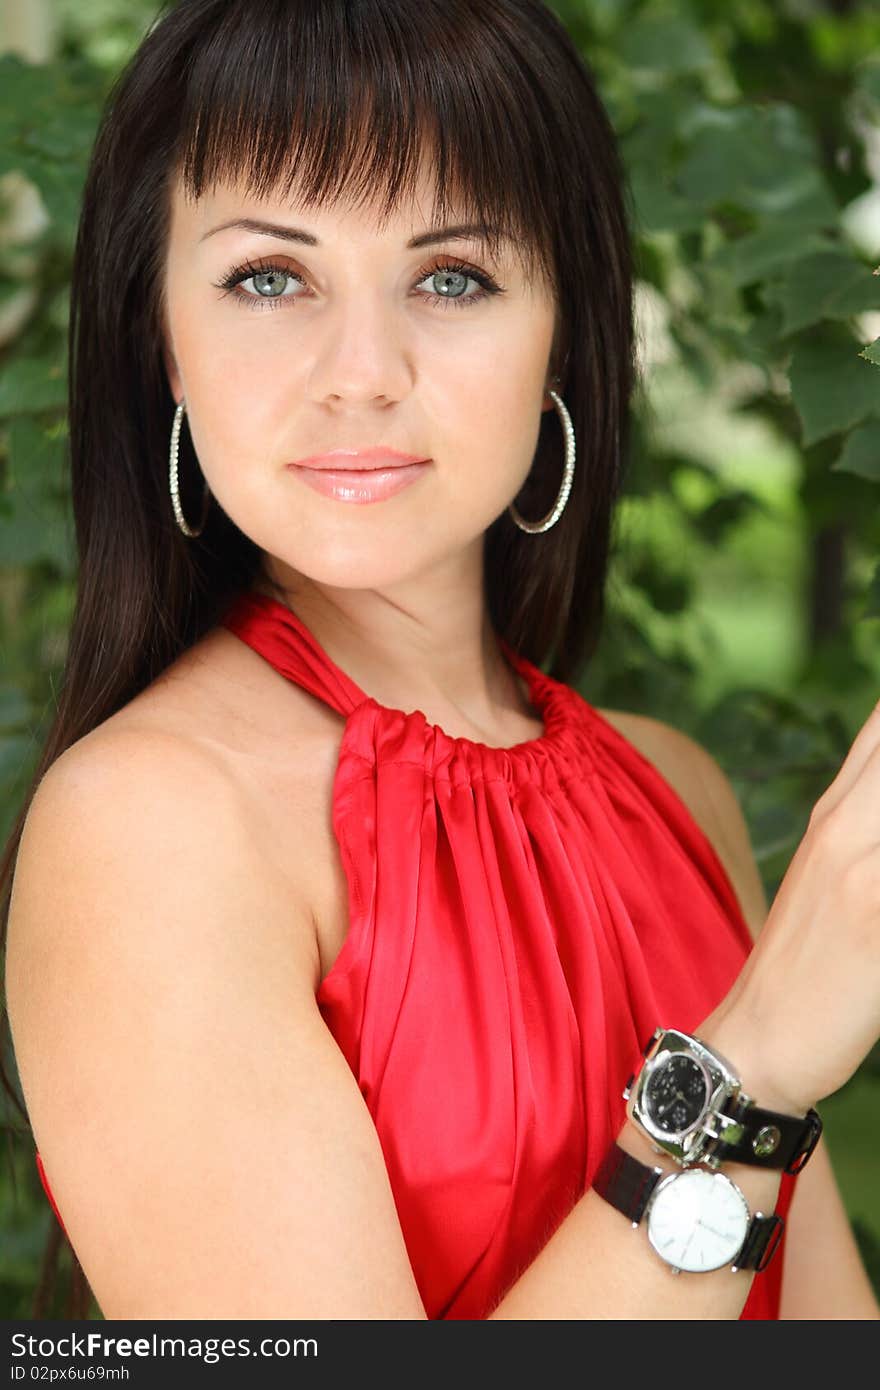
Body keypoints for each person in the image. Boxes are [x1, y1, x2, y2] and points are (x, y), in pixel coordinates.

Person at [2, 0, 878, 1322]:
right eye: (269, 278)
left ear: (560, 342)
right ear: (159, 346)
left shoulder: (680, 792)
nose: (363, 373)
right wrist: (747, 1074)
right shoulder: (151, 824)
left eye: (452, 277)